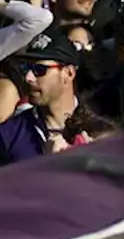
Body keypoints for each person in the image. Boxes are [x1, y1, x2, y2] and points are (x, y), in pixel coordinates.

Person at [0, 30, 81, 164]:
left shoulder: (100, 128)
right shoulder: (8, 135)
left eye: (39, 70)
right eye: (25, 68)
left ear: (69, 73)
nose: (28, 78)